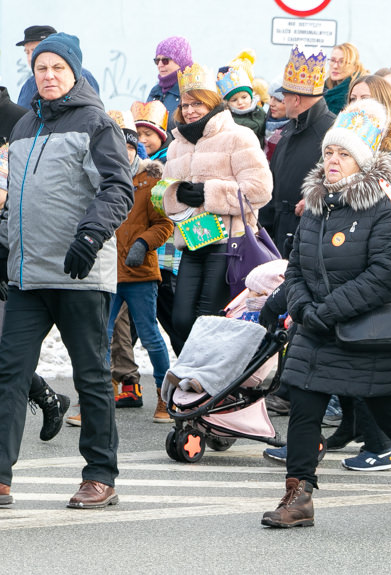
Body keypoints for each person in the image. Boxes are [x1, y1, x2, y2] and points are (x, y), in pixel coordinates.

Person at [258, 98, 391, 528]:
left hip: (368, 334)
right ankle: (298, 497)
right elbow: (296, 266)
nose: (333, 160)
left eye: (344, 154)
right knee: (303, 406)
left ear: (363, 161)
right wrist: (301, 306)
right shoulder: (317, 205)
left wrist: (327, 310)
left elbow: (385, 273)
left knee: (388, 414)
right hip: (317, 329)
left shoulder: (383, 209)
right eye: (329, 153)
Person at [0, 33, 134, 508]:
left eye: (57, 67)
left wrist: (90, 235)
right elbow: (16, 202)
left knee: (91, 376)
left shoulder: (96, 122)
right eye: (41, 69)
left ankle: (100, 475)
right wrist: (4, 249)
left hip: (78, 272)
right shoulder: (21, 129)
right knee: (8, 374)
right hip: (27, 277)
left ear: (74, 71)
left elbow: (118, 187)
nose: (49, 76)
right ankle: (0, 478)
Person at [161, 63, 273, 347]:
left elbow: (260, 190)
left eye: (198, 103)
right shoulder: (176, 145)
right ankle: (198, 380)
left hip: (228, 243)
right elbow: (162, 196)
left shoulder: (238, 136)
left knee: (208, 320)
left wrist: (209, 193)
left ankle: (210, 386)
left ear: (212, 103)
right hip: (192, 240)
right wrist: (177, 196)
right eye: (186, 104)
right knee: (182, 320)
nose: (190, 111)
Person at [0, 84, 70, 443]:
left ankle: (47, 397)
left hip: (6, 256)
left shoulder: (16, 123)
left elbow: (8, 200)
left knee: (5, 355)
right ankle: (49, 397)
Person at [105, 110, 174, 422]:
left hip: (140, 273)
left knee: (149, 334)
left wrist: (143, 243)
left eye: (130, 147)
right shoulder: (101, 177)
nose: (125, 152)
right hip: (105, 272)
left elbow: (164, 224)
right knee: (99, 336)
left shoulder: (152, 180)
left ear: (137, 149)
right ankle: (98, 399)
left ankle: (165, 396)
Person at [260, 46, 335, 257]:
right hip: (278, 237)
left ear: (297, 99)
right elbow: (272, 183)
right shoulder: (288, 130)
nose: (282, 101)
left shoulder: (333, 133)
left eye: (284, 95)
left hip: (311, 239)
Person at [15, 25, 100, 107]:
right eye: (27, 52)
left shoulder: (84, 77)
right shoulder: (29, 84)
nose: (30, 58)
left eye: (34, 50)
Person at [147, 36, 192, 134]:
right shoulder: (155, 91)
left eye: (165, 60)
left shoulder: (191, 89)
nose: (160, 65)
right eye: (157, 61)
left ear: (181, 61)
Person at [217, 63, 266, 149]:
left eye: (244, 97)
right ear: (227, 102)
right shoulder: (229, 119)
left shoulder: (260, 111)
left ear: (251, 96)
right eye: (234, 100)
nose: (240, 102)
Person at [323, 43, 366, 114]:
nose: (335, 66)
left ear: (354, 65)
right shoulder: (323, 88)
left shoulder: (357, 89)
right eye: (333, 60)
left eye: (342, 62)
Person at [264, 83, 289, 161]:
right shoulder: (261, 120)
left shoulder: (292, 132)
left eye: (278, 100)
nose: (271, 103)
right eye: (271, 97)